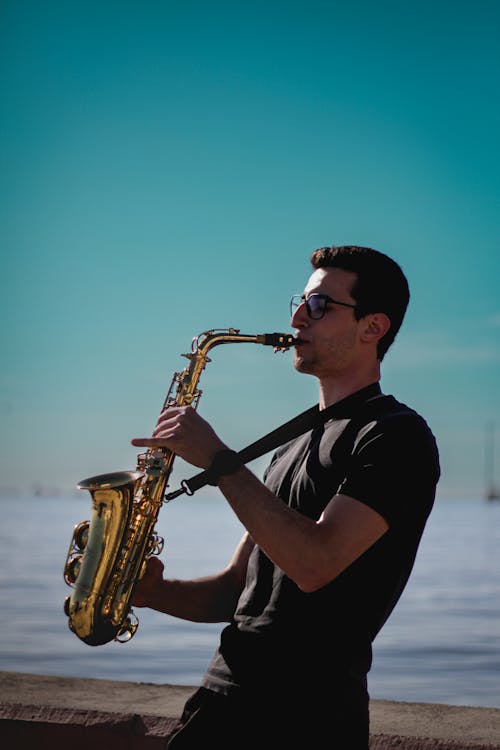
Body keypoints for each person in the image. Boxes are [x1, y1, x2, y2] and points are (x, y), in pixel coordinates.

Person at [131, 245, 440, 750]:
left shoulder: (395, 436)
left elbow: (315, 562)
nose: (298, 316)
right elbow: (238, 590)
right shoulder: (291, 445)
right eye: (300, 301)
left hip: (306, 717)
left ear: (373, 327)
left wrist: (218, 459)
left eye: (319, 306)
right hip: (221, 701)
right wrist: (151, 594)